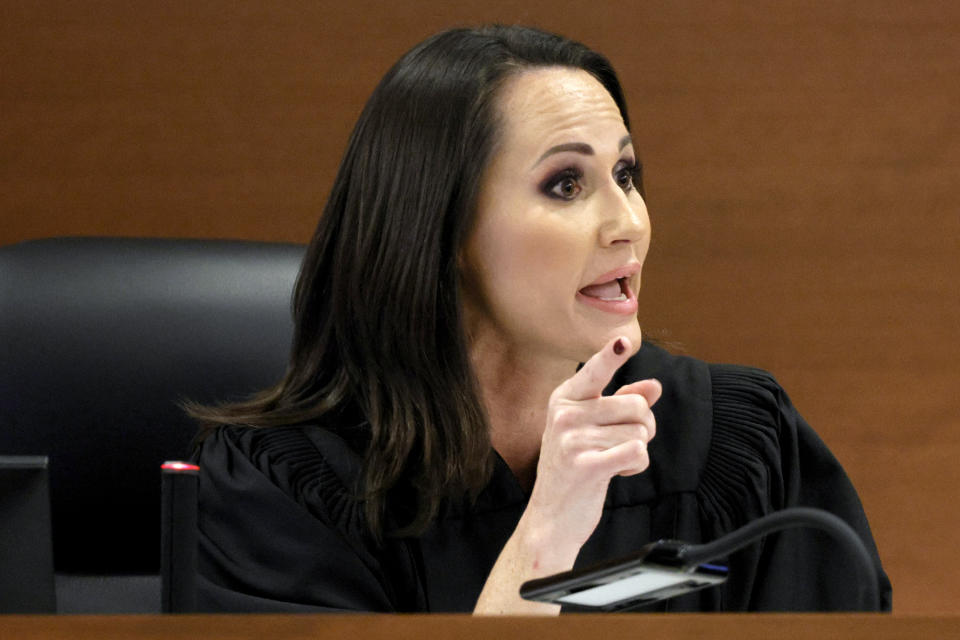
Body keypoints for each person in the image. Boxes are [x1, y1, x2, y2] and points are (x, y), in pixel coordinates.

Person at [190, 25, 891, 613]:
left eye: (626, 176)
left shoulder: (734, 441)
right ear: (443, 230)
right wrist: (550, 526)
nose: (628, 224)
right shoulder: (286, 488)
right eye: (566, 184)